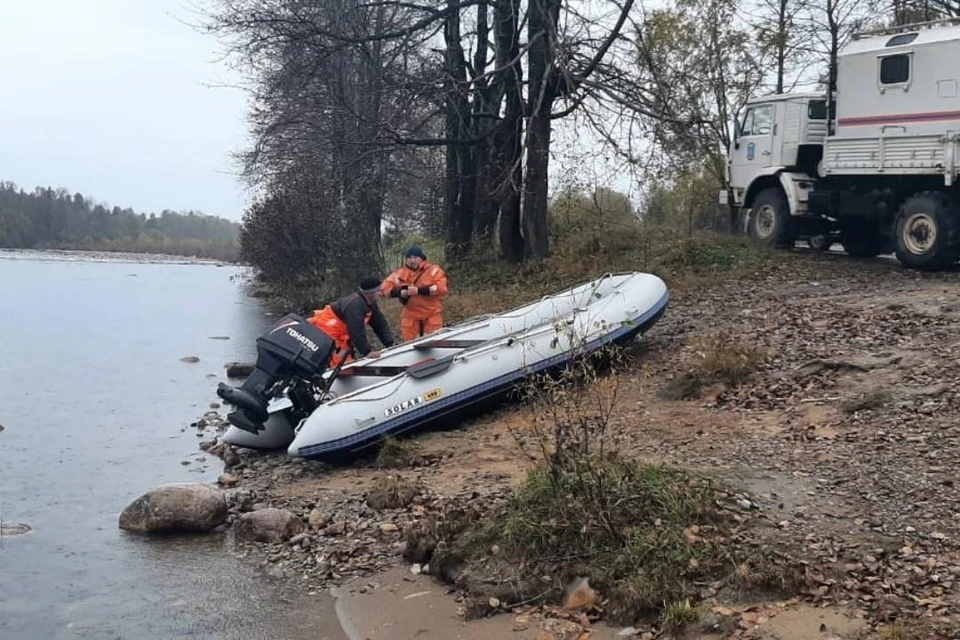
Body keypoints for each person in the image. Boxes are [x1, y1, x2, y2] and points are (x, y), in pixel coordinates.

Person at [307, 276, 396, 367]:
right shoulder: (355, 305)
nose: (382, 293)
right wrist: (367, 352)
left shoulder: (370, 304)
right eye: (379, 291)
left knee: (346, 362)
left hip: (341, 336)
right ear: (369, 293)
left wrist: (390, 344)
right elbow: (356, 331)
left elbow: (380, 325)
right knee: (339, 364)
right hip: (328, 332)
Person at [381, 245, 449, 342]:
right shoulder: (399, 274)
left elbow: (442, 288)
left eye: (415, 257)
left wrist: (419, 291)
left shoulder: (433, 271)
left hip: (431, 316)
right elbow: (383, 290)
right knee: (410, 347)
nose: (412, 260)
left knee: (435, 344)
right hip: (410, 319)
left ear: (422, 258)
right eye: (409, 258)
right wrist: (400, 292)